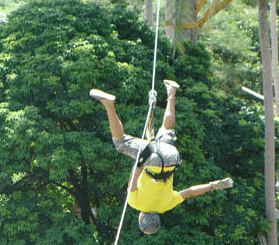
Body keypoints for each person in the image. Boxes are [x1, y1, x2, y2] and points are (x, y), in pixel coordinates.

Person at [90, 80, 233, 235]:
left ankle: (172, 92)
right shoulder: (135, 203)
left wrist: (213, 185)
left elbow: (190, 192)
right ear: (141, 218)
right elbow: (133, 181)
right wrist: (140, 162)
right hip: (152, 159)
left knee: (167, 128)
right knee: (120, 143)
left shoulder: (166, 206)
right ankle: (108, 104)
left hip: (172, 158)